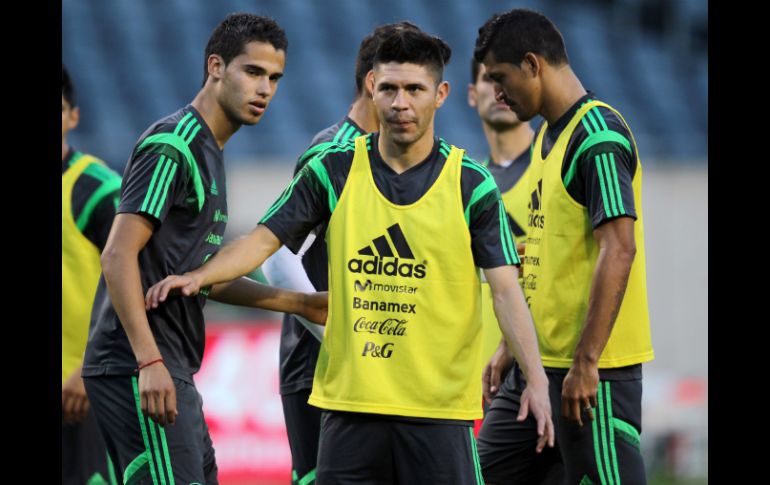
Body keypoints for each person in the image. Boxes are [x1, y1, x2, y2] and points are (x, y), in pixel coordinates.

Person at [147, 26, 554, 484]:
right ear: (371, 88)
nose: (401, 103)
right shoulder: (333, 168)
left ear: (439, 95)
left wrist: (536, 381)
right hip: (348, 411)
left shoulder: (470, 183)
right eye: (390, 88)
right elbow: (263, 241)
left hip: (439, 414)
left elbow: (505, 291)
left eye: (415, 89)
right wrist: (199, 276)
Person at [81, 14, 325, 485]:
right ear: (216, 66)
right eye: (252, 72)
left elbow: (198, 277)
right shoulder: (174, 145)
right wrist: (149, 361)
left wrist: (299, 303)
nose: (265, 90)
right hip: (139, 365)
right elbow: (117, 254)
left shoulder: (210, 151)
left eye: (274, 78)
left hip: (170, 365)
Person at [474, 8, 655, 484]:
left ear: (533, 65)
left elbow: (619, 249)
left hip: (593, 376)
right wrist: (509, 347)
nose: (496, 92)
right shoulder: (546, 139)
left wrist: (587, 363)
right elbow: (541, 254)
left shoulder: (596, 137)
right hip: (537, 370)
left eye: (500, 77)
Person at [260, 21, 417, 485]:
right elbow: (277, 260)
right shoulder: (333, 152)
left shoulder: (395, 158)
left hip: (373, 370)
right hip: (321, 370)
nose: (411, 100)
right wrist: (343, 341)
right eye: (401, 85)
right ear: (374, 84)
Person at [62, 63, 121, 485]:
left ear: (72, 116)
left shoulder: (97, 190)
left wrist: (89, 365)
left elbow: (131, 281)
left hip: (78, 390)